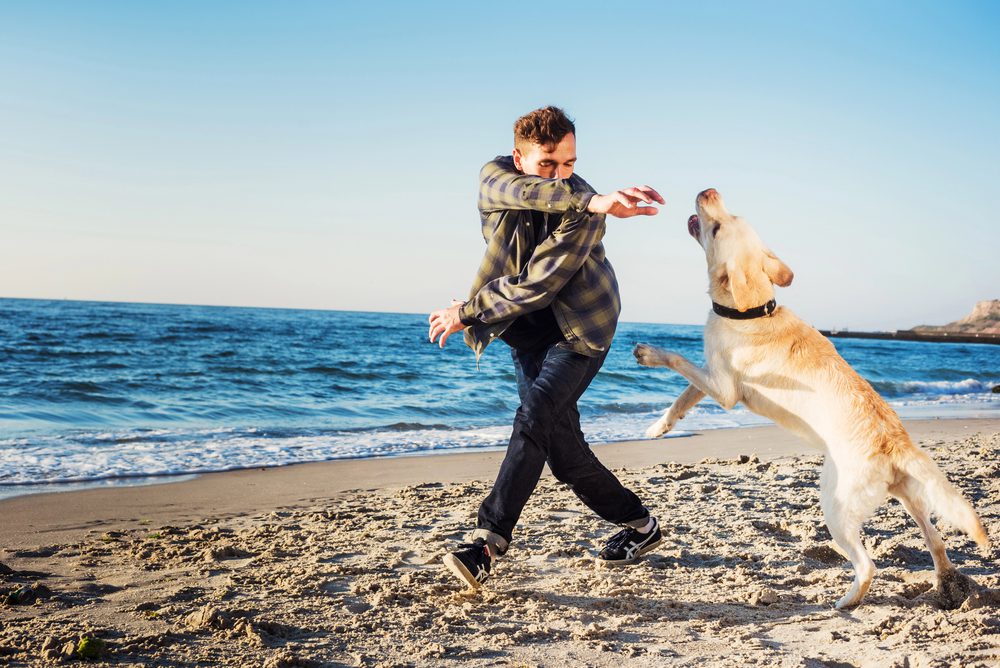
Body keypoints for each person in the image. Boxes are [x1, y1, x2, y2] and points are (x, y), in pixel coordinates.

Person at [427, 106, 665, 589]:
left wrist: (468, 311)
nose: (561, 176)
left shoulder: (588, 210)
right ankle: (642, 526)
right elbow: (526, 193)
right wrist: (593, 201)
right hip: (526, 332)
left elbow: (537, 284)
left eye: (569, 164)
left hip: (579, 330)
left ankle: (487, 543)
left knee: (533, 417)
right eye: (547, 164)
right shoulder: (496, 178)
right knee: (564, 454)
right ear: (519, 158)